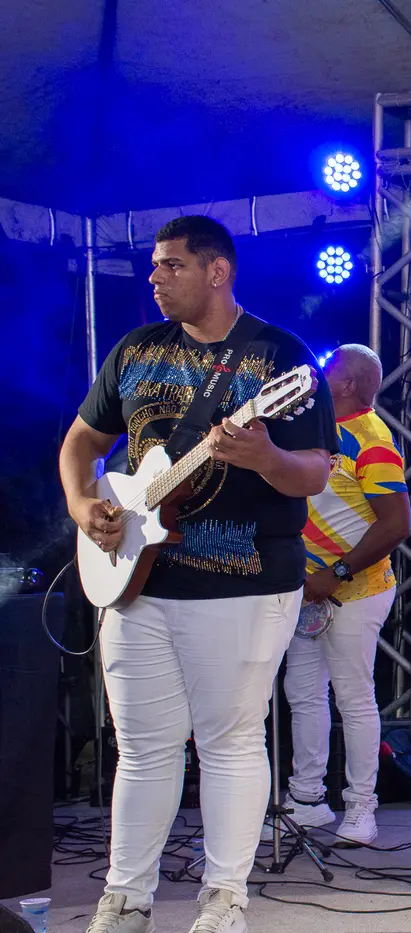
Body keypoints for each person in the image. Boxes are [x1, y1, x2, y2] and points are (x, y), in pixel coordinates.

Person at [58, 215, 336, 933]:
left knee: (230, 742)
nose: (155, 278)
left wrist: (267, 458)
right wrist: (84, 504)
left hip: (243, 583)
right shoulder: (135, 349)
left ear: (218, 271)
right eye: (154, 265)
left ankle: (224, 900)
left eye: (172, 265)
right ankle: (125, 899)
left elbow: (314, 471)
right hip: (137, 583)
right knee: (142, 749)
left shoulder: (279, 356)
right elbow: (81, 441)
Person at [280, 344, 411, 848]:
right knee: (303, 694)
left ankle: (361, 808)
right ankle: (307, 801)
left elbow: (397, 524)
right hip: (308, 590)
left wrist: (335, 573)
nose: (317, 374)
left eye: (328, 368)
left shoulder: (373, 441)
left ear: (350, 384)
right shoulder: (314, 432)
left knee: (353, 699)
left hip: (355, 590)